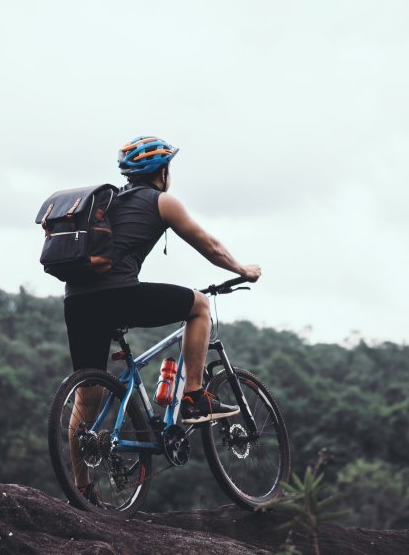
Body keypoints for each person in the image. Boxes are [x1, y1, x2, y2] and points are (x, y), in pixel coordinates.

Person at [63, 135, 261, 500]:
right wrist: (241, 269)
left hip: (77, 300)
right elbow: (210, 246)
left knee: (85, 395)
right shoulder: (162, 201)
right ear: (162, 172)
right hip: (119, 294)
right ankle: (193, 396)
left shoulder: (108, 202)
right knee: (199, 305)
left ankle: (82, 490)